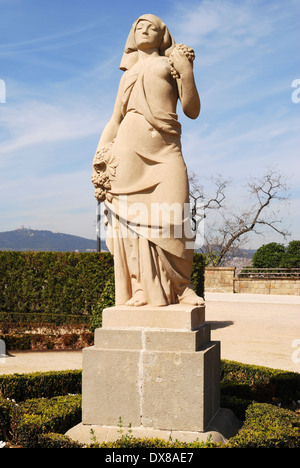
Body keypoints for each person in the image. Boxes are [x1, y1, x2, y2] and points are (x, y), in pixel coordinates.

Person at [92, 14, 204, 307]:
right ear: (132, 37)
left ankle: (181, 287)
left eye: (151, 26)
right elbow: (115, 119)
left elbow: (192, 109)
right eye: (138, 27)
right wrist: (100, 155)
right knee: (131, 223)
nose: (144, 29)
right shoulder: (126, 75)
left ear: (162, 35)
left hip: (166, 152)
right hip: (128, 154)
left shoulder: (171, 63)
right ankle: (142, 288)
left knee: (176, 215)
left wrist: (186, 71)